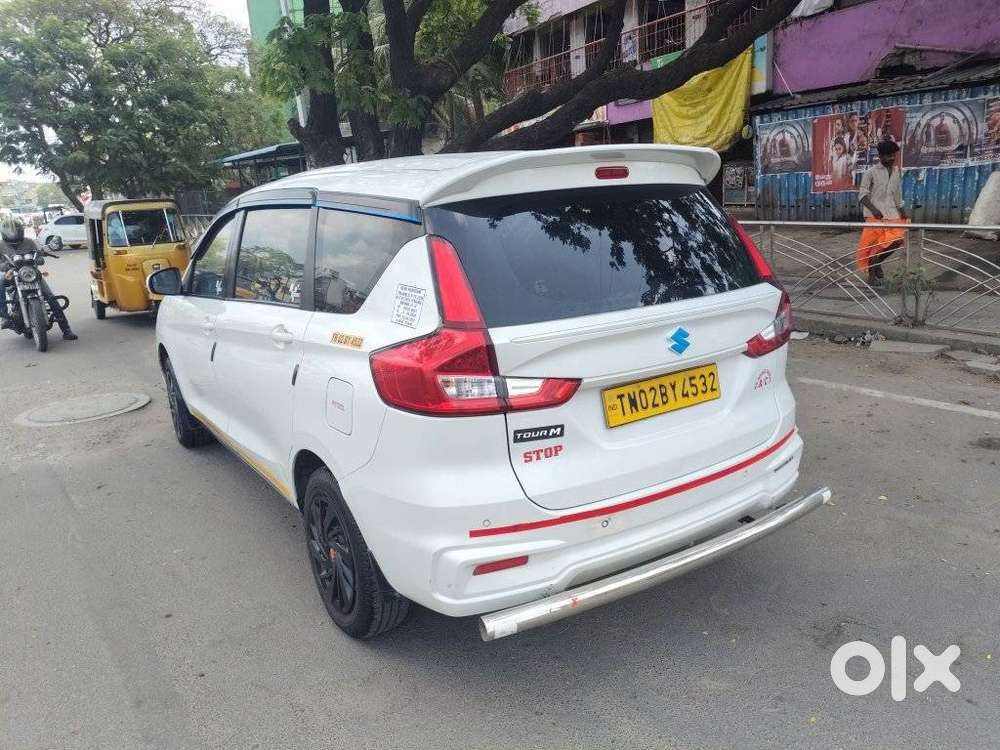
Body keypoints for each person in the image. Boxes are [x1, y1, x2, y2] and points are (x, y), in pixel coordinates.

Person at [0, 216, 78, 340]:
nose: (14, 237)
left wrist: (38, 258)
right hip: (10, 274)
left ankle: (66, 330)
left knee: (51, 297)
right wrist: (6, 265)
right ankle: (4, 316)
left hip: (31, 273)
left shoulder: (29, 242)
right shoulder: (1, 245)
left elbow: (40, 258)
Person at [857, 140, 908, 286]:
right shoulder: (871, 173)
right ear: (880, 156)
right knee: (873, 246)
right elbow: (862, 195)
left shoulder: (897, 172)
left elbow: (897, 195)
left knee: (897, 241)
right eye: (888, 156)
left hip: (892, 214)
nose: (892, 158)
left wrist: (903, 212)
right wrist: (874, 210)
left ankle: (877, 262)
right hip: (875, 215)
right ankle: (871, 278)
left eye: (893, 155)